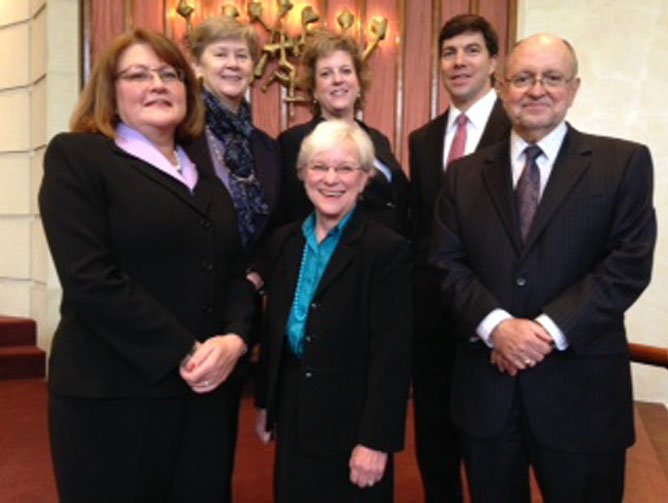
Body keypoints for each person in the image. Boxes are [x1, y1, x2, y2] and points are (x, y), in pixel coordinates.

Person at [431, 33, 656, 502]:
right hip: (488, 399)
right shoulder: (464, 175)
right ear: (502, 86)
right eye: (523, 78)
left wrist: (543, 332)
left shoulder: (623, 163)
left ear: (573, 89)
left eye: (552, 78)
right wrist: (498, 328)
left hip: (582, 398)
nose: (537, 90)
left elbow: (627, 266)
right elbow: (446, 264)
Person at [39, 29, 255, 502]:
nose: (157, 84)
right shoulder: (78, 157)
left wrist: (236, 339)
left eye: (169, 74)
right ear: (110, 92)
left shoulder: (207, 181)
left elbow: (234, 274)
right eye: (138, 74)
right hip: (115, 397)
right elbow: (90, 279)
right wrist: (186, 351)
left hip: (203, 396)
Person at [255, 120, 412, 503]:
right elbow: (275, 328)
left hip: (353, 423)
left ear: (364, 179)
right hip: (293, 414)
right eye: (319, 167)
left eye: (345, 169)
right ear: (302, 174)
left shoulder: (386, 250)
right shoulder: (284, 241)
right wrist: (266, 403)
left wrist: (375, 441)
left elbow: (393, 355)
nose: (331, 179)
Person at [408, 14, 510, 502]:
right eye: (449, 53)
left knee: (494, 453)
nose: (459, 61)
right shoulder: (423, 140)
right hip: (433, 324)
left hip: (498, 318)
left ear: (494, 62)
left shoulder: (521, 125)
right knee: (435, 444)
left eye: (472, 50)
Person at [185, 18, 283, 486]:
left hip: (238, 311)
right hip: (182, 306)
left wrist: (253, 281)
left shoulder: (265, 147)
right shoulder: (177, 135)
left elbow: (276, 228)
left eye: (242, 55)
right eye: (220, 53)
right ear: (196, 64)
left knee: (216, 449)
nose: (232, 63)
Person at [279, 29, 409, 235]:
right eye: (326, 73)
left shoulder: (378, 139)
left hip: (390, 257)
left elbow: (401, 201)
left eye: (346, 71)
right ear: (313, 89)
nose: (337, 80)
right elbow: (291, 215)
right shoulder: (295, 141)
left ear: (359, 82)